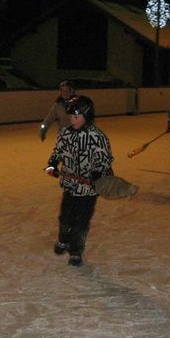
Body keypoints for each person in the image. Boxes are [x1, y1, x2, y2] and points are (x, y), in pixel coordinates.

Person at [44, 95, 114, 266]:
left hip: (88, 190)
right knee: (65, 217)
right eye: (71, 117)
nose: (72, 120)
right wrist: (52, 164)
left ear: (87, 116)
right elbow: (58, 151)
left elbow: (105, 160)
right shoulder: (65, 133)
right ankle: (63, 238)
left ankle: (75, 249)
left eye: (76, 117)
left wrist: (99, 173)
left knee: (81, 221)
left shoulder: (97, 137)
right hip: (70, 185)